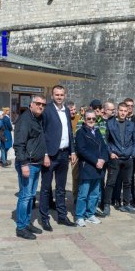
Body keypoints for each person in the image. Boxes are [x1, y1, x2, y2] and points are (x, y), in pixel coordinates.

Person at [40, 85, 77, 231]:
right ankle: (45, 219)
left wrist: (72, 151)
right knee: (45, 189)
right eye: (57, 94)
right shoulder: (47, 110)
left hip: (64, 154)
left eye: (62, 94)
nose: (59, 97)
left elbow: (70, 132)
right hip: (50, 155)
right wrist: (44, 154)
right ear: (52, 95)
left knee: (61, 188)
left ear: (65, 95)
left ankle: (62, 216)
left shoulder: (66, 110)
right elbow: (42, 133)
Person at [13, 95, 47, 240]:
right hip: (28, 163)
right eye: (38, 103)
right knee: (25, 196)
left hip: (36, 163)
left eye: (43, 105)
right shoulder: (25, 119)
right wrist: (24, 164)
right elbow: (19, 144)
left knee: (31, 196)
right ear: (31, 104)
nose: (40, 106)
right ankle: (21, 227)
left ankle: (27, 223)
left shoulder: (38, 119)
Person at [103, 102, 135, 216]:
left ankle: (126, 204)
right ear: (117, 111)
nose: (123, 113)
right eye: (121, 110)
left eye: (125, 111)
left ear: (127, 111)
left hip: (128, 158)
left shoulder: (132, 125)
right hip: (115, 157)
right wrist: (110, 153)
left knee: (128, 182)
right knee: (110, 182)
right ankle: (107, 205)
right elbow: (106, 140)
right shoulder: (110, 124)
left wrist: (132, 155)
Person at [74, 110, 109, 227]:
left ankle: (90, 214)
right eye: (89, 118)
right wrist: (96, 161)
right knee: (83, 194)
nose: (91, 121)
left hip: (98, 167)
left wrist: (103, 159)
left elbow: (104, 147)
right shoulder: (80, 132)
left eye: (93, 119)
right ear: (84, 120)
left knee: (95, 193)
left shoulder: (97, 131)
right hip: (87, 166)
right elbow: (81, 150)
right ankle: (79, 216)